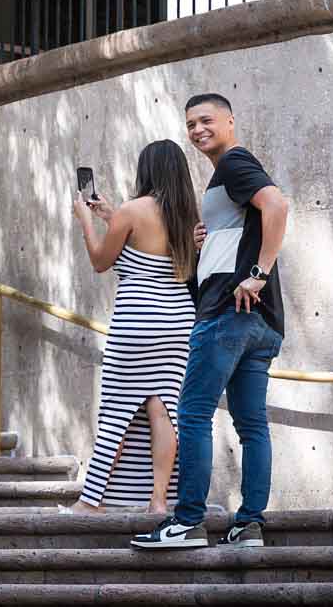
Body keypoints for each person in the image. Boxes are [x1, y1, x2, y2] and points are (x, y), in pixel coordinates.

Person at [131, 92, 291, 551]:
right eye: (191, 125)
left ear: (229, 121)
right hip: (260, 324)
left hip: (228, 315)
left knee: (193, 413)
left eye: (206, 121)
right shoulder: (225, 178)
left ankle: (187, 522)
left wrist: (256, 275)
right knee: (252, 426)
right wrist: (206, 242)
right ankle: (249, 525)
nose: (198, 130)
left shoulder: (236, 164)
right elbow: (248, 229)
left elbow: (277, 207)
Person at [71, 140, 200, 513]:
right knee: (163, 409)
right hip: (178, 323)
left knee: (116, 410)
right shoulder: (188, 216)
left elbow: (100, 261)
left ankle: (91, 500)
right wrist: (110, 215)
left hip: (137, 320)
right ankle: (159, 501)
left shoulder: (133, 210)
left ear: (146, 170)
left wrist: (85, 221)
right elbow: (150, 248)